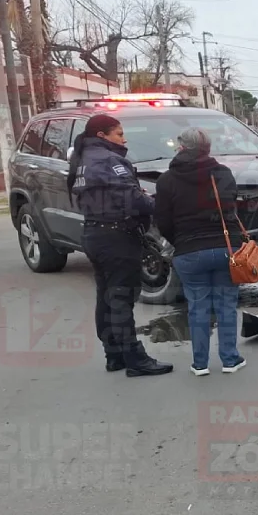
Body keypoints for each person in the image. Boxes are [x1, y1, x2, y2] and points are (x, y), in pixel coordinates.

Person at [69, 114, 174, 377]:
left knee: (106, 296)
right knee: (121, 299)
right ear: (102, 135)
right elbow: (132, 200)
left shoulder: (82, 158)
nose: (124, 139)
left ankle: (114, 354)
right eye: (119, 133)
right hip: (116, 237)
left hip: (95, 233)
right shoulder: (107, 160)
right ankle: (135, 358)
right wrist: (160, 205)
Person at [154, 128, 246, 376]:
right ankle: (230, 360)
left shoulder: (166, 180)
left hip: (189, 252)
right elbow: (232, 209)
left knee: (198, 307)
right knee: (226, 304)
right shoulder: (223, 173)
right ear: (207, 148)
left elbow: (162, 221)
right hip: (226, 249)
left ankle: (200, 364)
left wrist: (180, 241)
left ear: (182, 147)